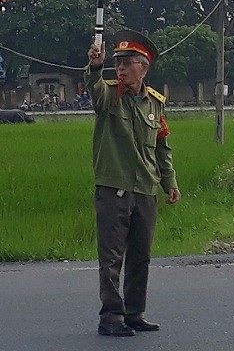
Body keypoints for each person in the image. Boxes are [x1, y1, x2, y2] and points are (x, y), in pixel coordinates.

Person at [86, 29, 181, 337]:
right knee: (112, 257)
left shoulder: (155, 104)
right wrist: (96, 67)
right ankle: (110, 316)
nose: (121, 68)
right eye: (118, 63)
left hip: (145, 190)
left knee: (141, 255)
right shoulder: (110, 95)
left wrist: (169, 182)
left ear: (145, 67)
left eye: (128, 63)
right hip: (114, 189)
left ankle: (134, 313)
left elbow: (162, 146)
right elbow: (95, 88)